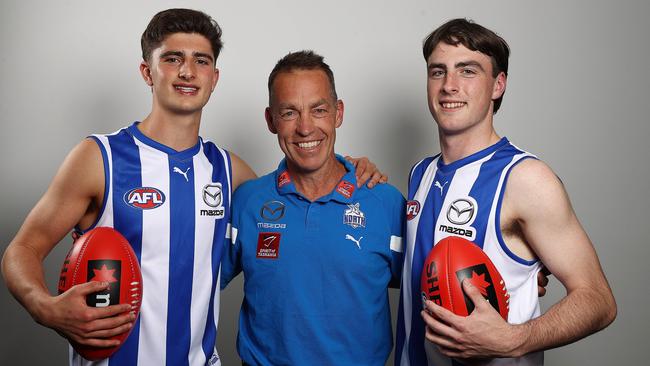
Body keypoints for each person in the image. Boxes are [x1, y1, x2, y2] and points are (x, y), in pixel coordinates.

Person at [1, 9, 382, 366]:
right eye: (172, 58)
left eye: (201, 61)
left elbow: (297, 204)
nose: (187, 71)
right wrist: (45, 307)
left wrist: (352, 170)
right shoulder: (99, 158)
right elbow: (23, 248)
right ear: (147, 72)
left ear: (214, 78)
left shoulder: (229, 172)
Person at [395, 19, 616, 365]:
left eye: (467, 71)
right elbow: (414, 271)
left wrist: (514, 339)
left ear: (498, 85)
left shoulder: (526, 178)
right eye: (438, 72)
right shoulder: (420, 173)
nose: (449, 86)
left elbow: (599, 300)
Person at [220, 50, 405, 365]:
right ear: (271, 120)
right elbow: (192, 284)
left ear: (338, 113)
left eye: (318, 110)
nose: (305, 128)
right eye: (290, 112)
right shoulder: (247, 201)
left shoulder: (385, 203)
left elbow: (428, 297)